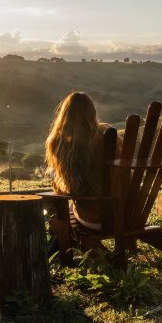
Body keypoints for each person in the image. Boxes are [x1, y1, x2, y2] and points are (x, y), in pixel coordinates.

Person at [45, 92, 122, 231]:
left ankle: (59, 249)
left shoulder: (59, 143)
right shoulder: (109, 136)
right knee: (68, 212)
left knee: (62, 219)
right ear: (92, 113)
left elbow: (67, 189)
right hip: (127, 213)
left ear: (64, 115)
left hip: (96, 218)